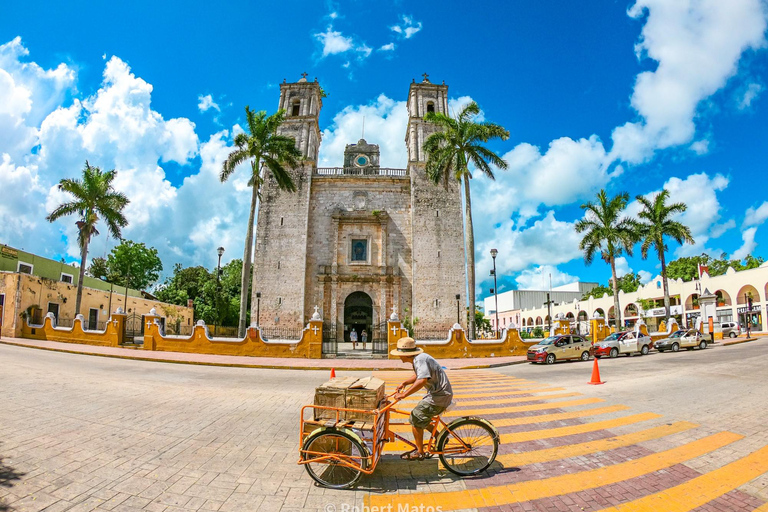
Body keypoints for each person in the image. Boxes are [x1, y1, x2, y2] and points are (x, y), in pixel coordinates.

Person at [391, 337, 453, 461]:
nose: (399, 357)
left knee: (415, 417)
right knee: (422, 417)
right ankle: (441, 437)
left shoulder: (419, 359)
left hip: (440, 396)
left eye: (399, 355)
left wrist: (404, 394)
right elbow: (419, 375)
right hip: (437, 394)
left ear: (405, 354)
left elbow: (422, 379)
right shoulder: (419, 359)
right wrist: (405, 383)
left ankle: (420, 453)